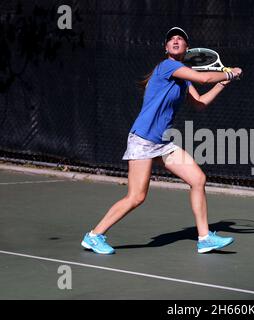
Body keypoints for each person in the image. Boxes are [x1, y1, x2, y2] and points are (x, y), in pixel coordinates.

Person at [81, 27, 243, 254]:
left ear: (186, 48)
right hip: (143, 139)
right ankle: (93, 236)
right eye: (171, 39)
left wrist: (222, 84)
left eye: (180, 39)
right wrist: (230, 73)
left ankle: (205, 238)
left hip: (162, 143)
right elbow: (204, 76)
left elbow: (199, 104)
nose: (175, 40)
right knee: (136, 197)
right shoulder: (167, 67)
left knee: (197, 179)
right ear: (166, 48)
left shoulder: (184, 78)